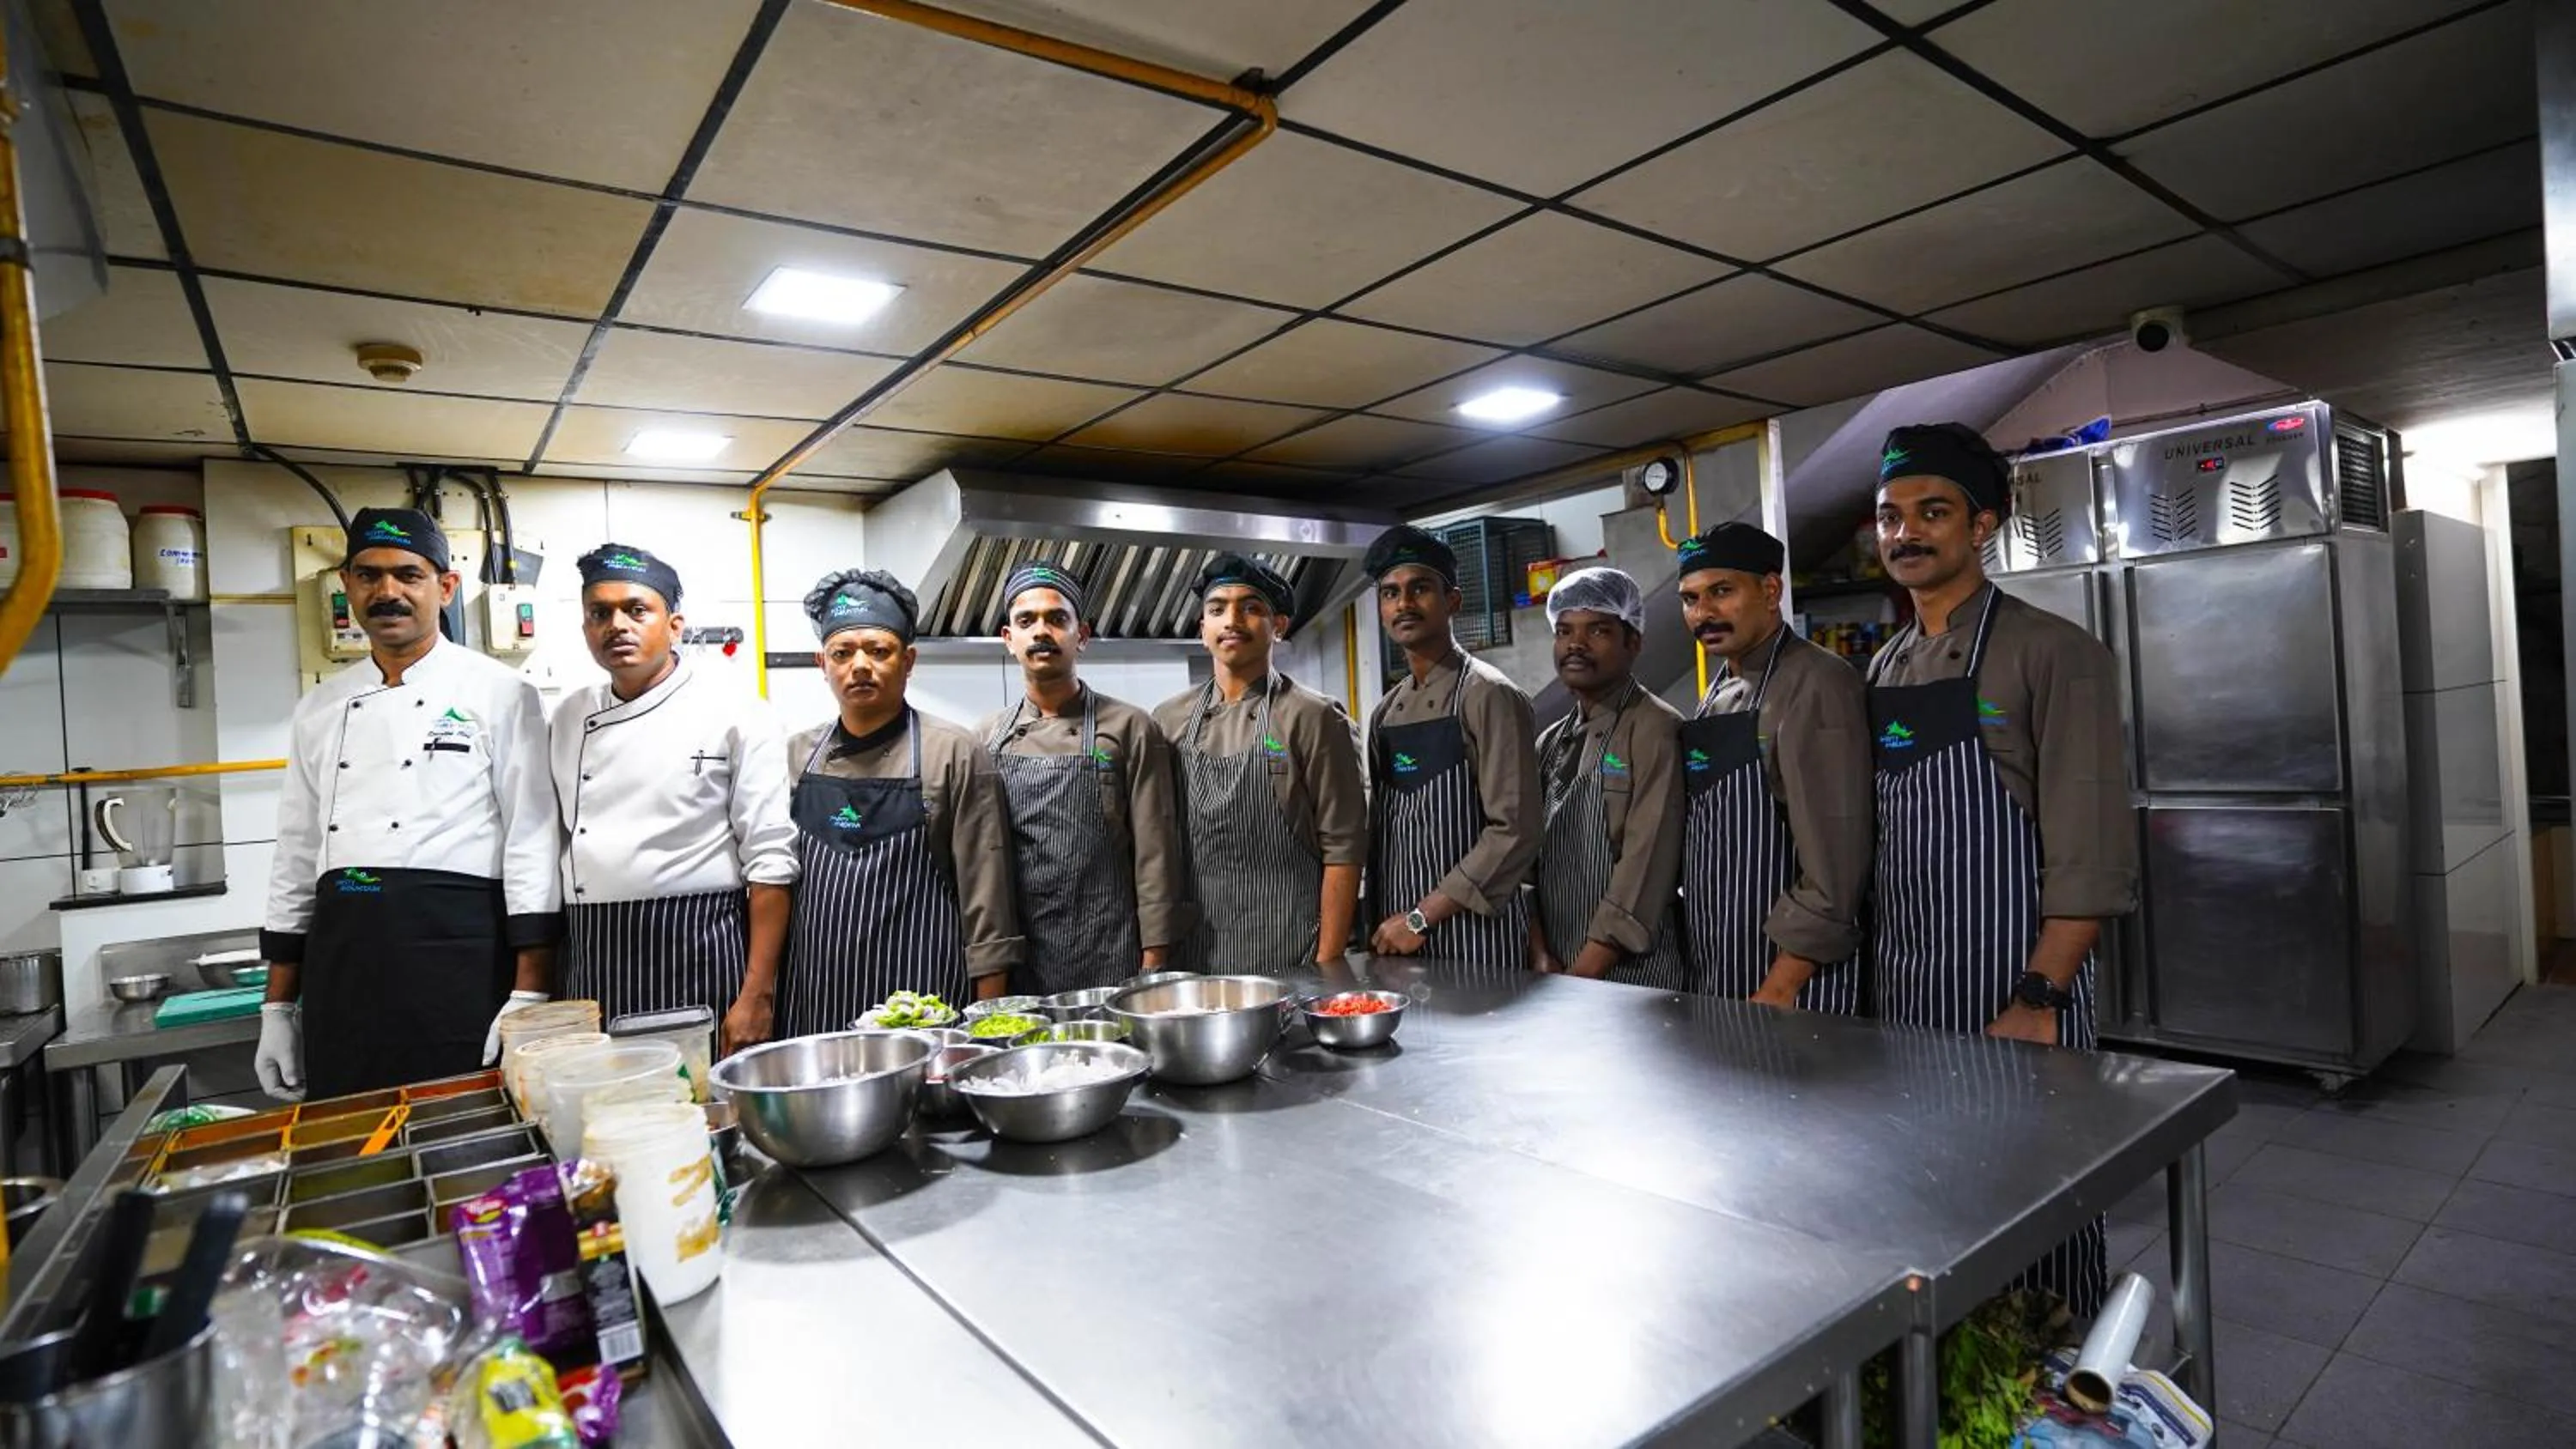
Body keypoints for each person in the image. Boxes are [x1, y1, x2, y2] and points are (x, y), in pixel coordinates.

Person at [1868, 422, 2138, 1318]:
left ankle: (2064, 1383)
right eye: (1890, 515)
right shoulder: (1884, 662)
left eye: (1932, 511)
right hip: (1910, 985)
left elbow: (2090, 850)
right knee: (1937, 1194)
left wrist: (2040, 997)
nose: (1906, 532)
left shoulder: (2052, 652)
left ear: (1981, 523)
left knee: (2040, 1196)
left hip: (2013, 983)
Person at [254, 508, 560, 1100]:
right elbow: (295, 852)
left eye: (408, 575)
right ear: (346, 585)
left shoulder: (500, 693)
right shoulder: (320, 708)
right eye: (369, 575)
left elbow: (531, 837)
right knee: (348, 1142)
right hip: (343, 957)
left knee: (466, 1132)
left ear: (444, 588)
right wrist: (278, 1008)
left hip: (457, 951)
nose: (387, 592)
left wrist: (530, 993)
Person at [549, 544, 795, 1055]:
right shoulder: (570, 715)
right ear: (585, 629)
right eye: (600, 613)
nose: (617, 625)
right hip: (593, 951)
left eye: (637, 610)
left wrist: (757, 994)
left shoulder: (738, 713)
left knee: (703, 1111)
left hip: (698, 944)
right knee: (605, 1111)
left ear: (675, 624)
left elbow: (770, 862)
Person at [779, 570, 1021, 1033]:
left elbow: (987, 897)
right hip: (815, 996)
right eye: (843, 653)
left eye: (879, 650)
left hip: (923, 998)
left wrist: (989, 1022)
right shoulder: (795, 755)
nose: (861, 665)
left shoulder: (952, 751)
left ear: (908, 661)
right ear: (821, 663)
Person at [1674, 523, 1871, 1011]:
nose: (1704, 613)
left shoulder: (1816, 684)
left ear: (1770, 591)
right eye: (1690, 599)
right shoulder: (1719, 690)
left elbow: (1836, 863)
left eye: (1721, 592)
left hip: (1794, 984)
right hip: (1725, 965)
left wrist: (1781, 986)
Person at [1153, 554, 1368, 974]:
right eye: (1217, 610)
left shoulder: (1315, 716)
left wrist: (1326, 964)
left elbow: (1345, 848)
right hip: (1198, 955)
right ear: (1203, 631)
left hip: (1293, 949)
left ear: (1279, 626)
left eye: (1251, 608)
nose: (1231, 620)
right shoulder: (1167, 720)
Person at [978, 561, 1187, 995]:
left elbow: (1156, 855)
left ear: (1082, 636)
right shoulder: (985, 740)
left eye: (1057, 619)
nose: (1041, 632)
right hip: (1025, 959)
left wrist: (1153, 964)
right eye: (1026, 621)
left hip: (1113, 952)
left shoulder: (1130, 728)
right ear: (1008, 640)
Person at [1363, 525, 1540, 977]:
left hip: (1476, 939)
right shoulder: (1385, 712)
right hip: (1398, 940)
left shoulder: (1488, 695)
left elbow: (1515, 829)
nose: (1403, 604)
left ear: (1453, 601)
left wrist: (1423, 916)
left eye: (1419, 589)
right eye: (1390, 593)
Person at [1525, 567, 1687, 987]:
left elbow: (1647, 863)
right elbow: (1529, 861)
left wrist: (1584, 976)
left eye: (1597, 631)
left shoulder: (1655, 727)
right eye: (1564, 631)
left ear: (1633, 642)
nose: (1575, 645)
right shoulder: (1549, 741)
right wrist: (1541, 955)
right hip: (1557, 970)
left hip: (1632, 975)